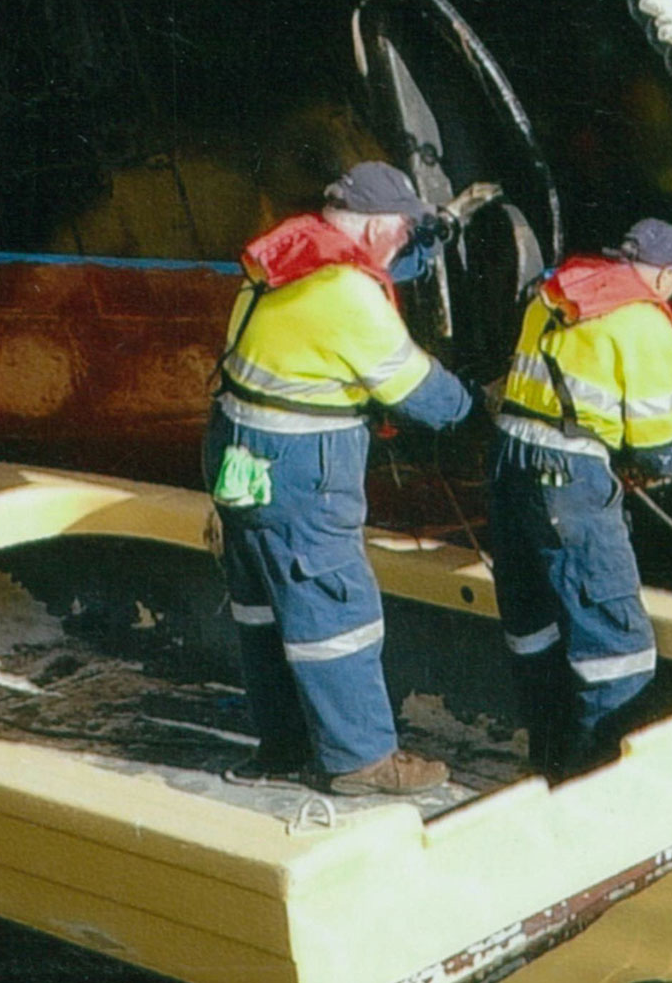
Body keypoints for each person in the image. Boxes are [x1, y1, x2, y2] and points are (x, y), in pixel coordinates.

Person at [203, 161, 475, 796]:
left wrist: (431, 236)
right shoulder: (346, 296)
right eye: (402, 231)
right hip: (303, 471)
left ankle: (282, 747)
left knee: (266, 608)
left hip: (240, 461)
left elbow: (365, 273)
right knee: (333, 609)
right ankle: (360, 761)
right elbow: (423, 395)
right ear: (378, 226)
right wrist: (475, 407)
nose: (402, 242)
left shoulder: (282, 263)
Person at [488, 216, 672, 779]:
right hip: (567, 479)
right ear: (666, 274)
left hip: (509, 462)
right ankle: (600, 778)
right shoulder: (645, 321)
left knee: (533, 626)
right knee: (617, 643)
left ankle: (546, 761)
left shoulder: (554, 295)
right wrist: (662, 464)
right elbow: (653, 444)